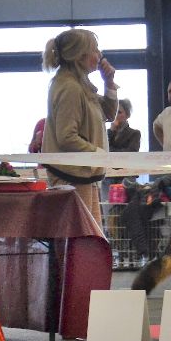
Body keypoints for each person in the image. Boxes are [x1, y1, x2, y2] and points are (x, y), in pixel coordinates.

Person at [40, 28, 118, 225]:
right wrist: (98, 153)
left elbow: (108, 113)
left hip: (84, 174)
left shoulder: (80, 84)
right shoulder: (70, 87)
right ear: (79, 56)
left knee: (91, 237)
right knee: (81, 238)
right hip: (72, 177)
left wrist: (109, 83)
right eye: (95, 50)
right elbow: (67, 137)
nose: (99, 55)